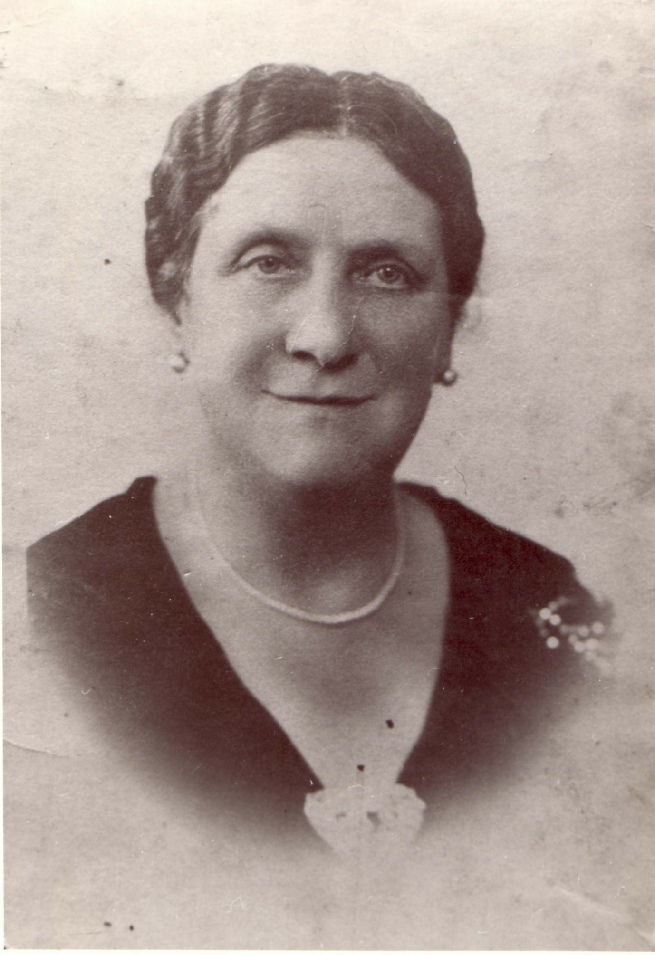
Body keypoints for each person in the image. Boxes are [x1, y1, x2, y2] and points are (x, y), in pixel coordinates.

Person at [27, 63, 612, 856]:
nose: (326, 336)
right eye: (268, 261)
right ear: (176, 303)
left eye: (386, 273)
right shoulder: (47, 616)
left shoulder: (548, 618)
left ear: (448, 330)